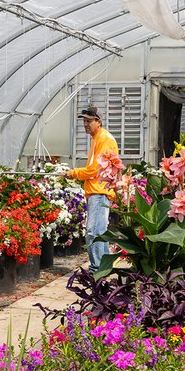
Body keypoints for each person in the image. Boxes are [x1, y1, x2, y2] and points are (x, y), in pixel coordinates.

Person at [61, 106, 118, 274]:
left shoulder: (104, 139)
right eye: (84, 121)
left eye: (88, 121)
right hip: (96, 191)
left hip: (100, 192)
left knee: (94, 232)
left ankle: (98, 270)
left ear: (98, 122)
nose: (85, 124)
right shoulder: (97, 138)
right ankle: (103, 269)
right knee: (98, 232)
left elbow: (95, 169)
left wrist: (73, 173)